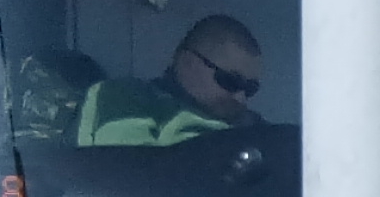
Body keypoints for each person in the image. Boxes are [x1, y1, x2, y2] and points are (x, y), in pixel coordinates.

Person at [75, 16, 268, 145]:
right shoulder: (126, 98)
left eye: (250, 89)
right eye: (230, 81)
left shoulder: (255, 126)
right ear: (188, 63)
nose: (240, 97)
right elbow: (126, 174)